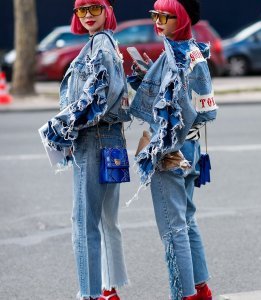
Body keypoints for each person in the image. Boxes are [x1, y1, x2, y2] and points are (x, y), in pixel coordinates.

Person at [128, 0, 217, 299]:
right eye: (155, 15)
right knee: (187, 220)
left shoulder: (175, 55)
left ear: (179, 18)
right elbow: (205, 109)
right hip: (192, 146)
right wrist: (146, 79)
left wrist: (164, 139)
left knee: (173, 228)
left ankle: (184, 295)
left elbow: (177, 108)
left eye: (164, 16)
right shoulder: (194, 51)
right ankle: (201, 288)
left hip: (170, 150)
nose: (157, 21)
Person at [41, 1, 130, 299]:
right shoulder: (108, 44)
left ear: (107, 9)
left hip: (93, 140)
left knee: (83, 224)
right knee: (106, 220)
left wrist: (61, 127)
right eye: (82, 10)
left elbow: (95, 99)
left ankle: (89, 294)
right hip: (112, 141)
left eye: (94, 8)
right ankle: (109, 289)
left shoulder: (100, 47)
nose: (88, 15)